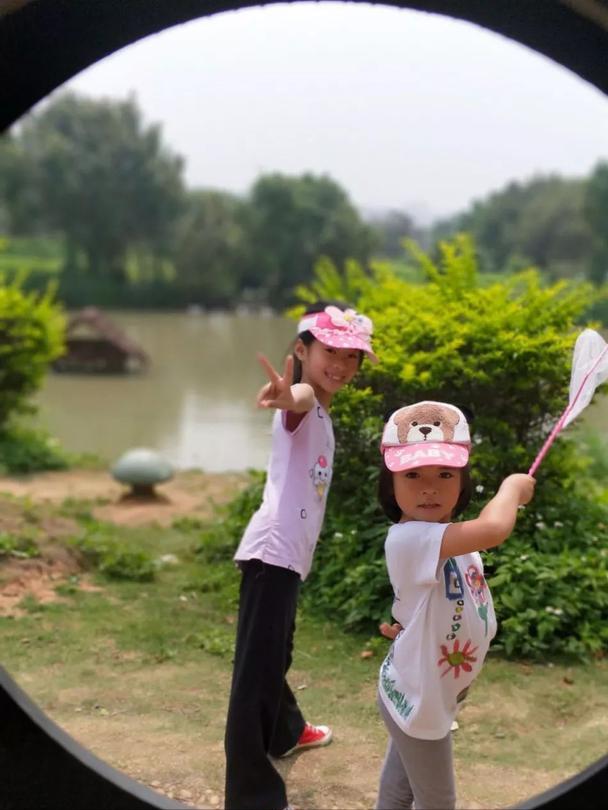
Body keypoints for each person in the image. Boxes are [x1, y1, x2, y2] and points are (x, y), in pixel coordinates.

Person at [224, 301, 378, 810]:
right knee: (256, 676)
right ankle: (252, 795)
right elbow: (297, 398)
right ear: (302, 350)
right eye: (330, 351)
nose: (341, 364)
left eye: (352, 356)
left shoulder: (324, 416)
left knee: (275, 655)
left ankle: (286, 731)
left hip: (287, 559)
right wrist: (289, 392)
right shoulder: (307, 404)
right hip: (272, 556)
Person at [375, 400, 535, 810]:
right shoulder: (410, 538)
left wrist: (408, 625)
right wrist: (513, 488)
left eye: (445, 473)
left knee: (399, 792)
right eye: (412, 475)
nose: (429, 487)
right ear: (390, 484)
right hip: (421, 699)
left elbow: (430, 602)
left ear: (462, 482)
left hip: (423, 690)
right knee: (438, 801)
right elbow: (495, 527)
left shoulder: (447, 534)